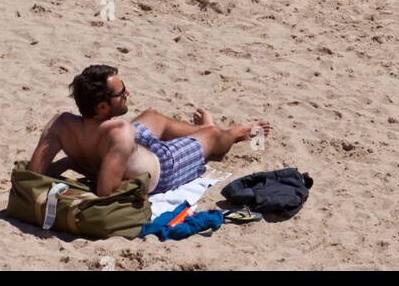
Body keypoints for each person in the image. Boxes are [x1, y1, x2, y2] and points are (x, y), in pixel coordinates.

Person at [28, 64, 270, 196]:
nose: (128, 95)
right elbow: (106, 192)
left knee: (152, 117)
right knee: (215, 136)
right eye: (122, 94)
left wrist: (71, 162)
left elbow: (33, 176)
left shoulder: (61, 124)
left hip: (127, 147)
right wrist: (74, 166)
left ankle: (201, 129)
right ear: (102, 107)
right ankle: (235, 131)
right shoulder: (119, 131)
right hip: (163, 165)